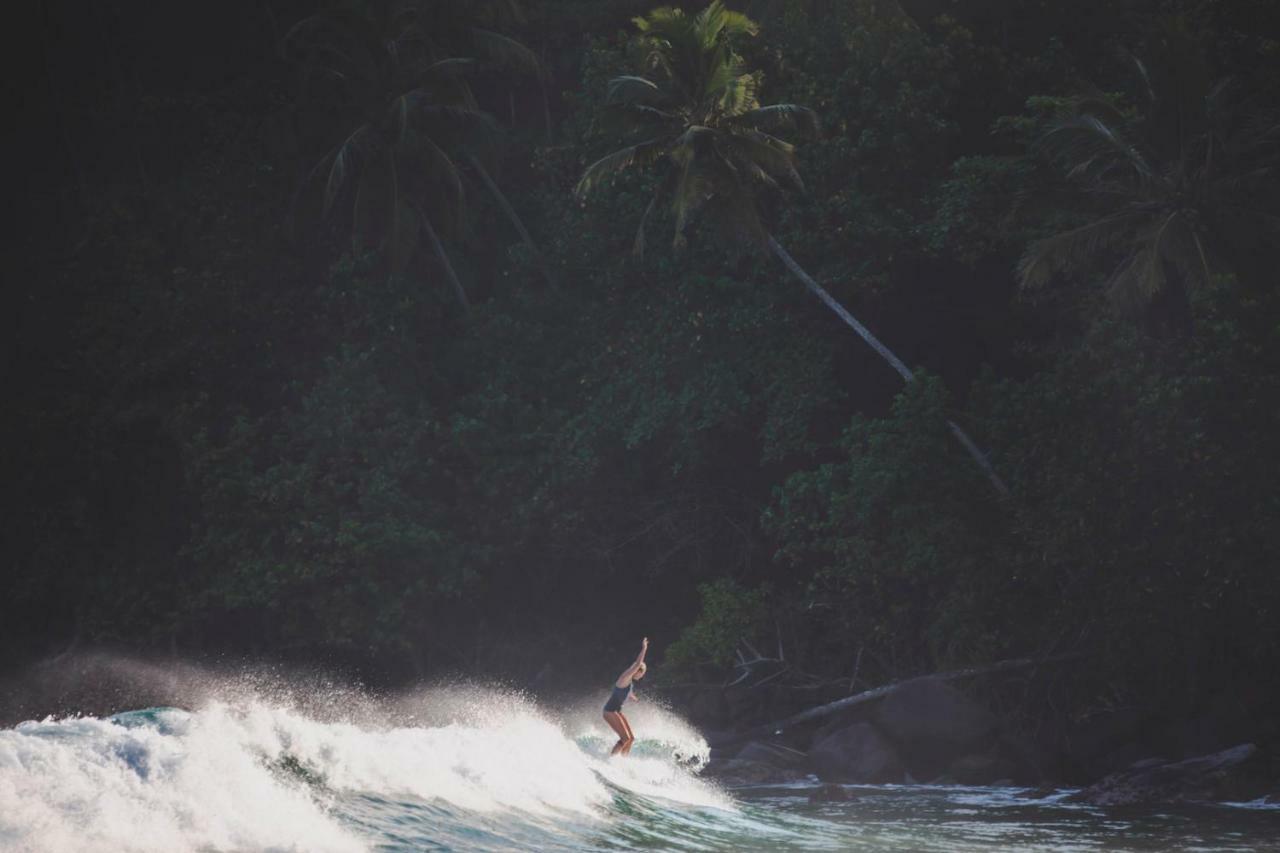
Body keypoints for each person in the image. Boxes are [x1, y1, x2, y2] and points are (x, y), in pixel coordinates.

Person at [603, 637, 648, 756]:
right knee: (625, 738)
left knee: (631, 739)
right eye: (641, 674)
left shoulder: (629, 683)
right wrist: (644, 648)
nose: (641, 677)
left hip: (617, 711)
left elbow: (627, 693)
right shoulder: (625, 677)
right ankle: (611, 759)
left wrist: (634, 699)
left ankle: (623, 761)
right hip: (610, 711)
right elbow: (638, 663)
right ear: (637, 671)